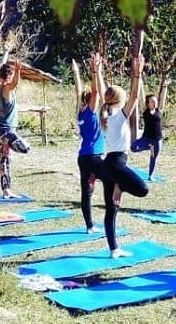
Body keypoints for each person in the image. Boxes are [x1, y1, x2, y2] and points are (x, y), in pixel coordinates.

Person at [96, 51, 149, 257]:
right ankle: (121, 186)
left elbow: (102, 94)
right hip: (116, 163)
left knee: (112, 209)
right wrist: (137, 74)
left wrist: (97, 71)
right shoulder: (117, 116)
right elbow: (135, 96)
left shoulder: (105, 116)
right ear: (118, 100)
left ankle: (114, 249)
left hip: (107, 165)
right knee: (143, 189)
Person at [73, 54, 105, 233]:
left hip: (83, 157)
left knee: (86, 193)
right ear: (90, 100)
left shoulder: (80, 113)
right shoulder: (92, 111)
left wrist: (76, 73)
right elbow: (96, 91)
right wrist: (95, 71)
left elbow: (79, 92)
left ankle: (89, 226)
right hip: (94, 156)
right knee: (112, 180)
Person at [0, 53, 29, 199]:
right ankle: (6, 190)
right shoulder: (7, 88)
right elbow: (15, 83)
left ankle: (6, 191)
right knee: (26, 148)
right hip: (5, 131)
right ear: (8, 75)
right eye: (12, 73)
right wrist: (18, 70)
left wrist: (5, 54)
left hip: (2, 131)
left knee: (5, 161)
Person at [131, 73, 170, 181]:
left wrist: (165, 86)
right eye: (152, 101)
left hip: (157, 140)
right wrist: (139, 82)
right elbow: (142, 97)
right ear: (148, 103)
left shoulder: (159, 111)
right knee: (133, 148)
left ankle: (150, 175)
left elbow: (162, 97)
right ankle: (149, 147)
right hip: (146, 139)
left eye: (155, 101)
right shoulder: (145, 111)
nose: (155, 102)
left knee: (153, 158)